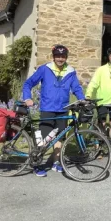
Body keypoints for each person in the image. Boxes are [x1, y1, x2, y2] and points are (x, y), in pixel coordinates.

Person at [23, 44, 85, 177]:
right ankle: (37, 164)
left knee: (59, 138)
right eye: (58, 56)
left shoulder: (71, 71)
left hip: (63, 110)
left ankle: (56, 163)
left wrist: (82, 99)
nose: (60, 59)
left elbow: (76, 88)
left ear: (66, 57)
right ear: (53, 57)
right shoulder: (45, 69)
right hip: (47, 109)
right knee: (44, 139)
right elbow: (28, 83)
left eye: (63, 56)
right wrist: (27, 97)